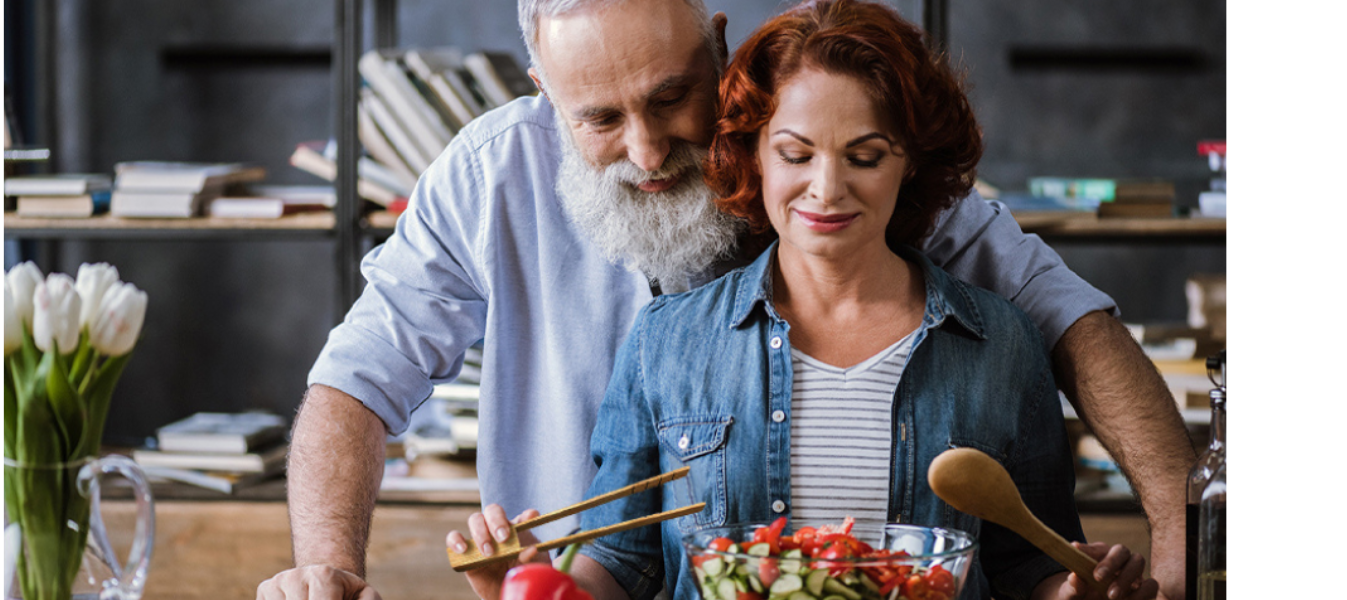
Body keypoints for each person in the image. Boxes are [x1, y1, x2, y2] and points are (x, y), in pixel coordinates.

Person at [256, 0, 1192, 598]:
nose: (648, 149)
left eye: (671, 100)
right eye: (600, 118)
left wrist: (1177, 545)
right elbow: (358, 379)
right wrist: (327, 570)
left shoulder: (818, 138)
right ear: (542, 90)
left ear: (718, 55)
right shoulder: (488, 175)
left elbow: (1072, 324)